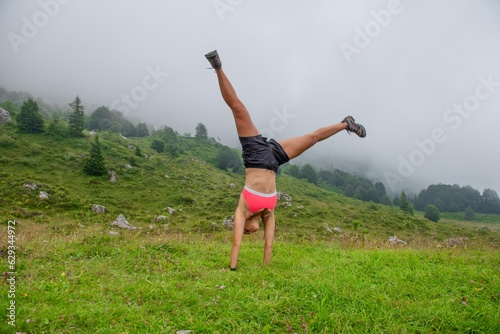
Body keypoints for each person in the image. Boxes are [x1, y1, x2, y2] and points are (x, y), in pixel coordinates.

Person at [205, 50, 366, 271]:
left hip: (254, 155)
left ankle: (217, 66)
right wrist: (265, 268)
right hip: (274, 160)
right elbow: (269, 244)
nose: (250, 233)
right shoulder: (268, 213)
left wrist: (232, 268)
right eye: (252, 232)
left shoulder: (242, 211)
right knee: (312, 139)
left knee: (238, 108)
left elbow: (235, 243)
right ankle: (346, 123)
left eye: (246, 231)